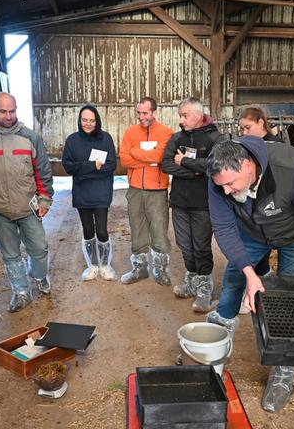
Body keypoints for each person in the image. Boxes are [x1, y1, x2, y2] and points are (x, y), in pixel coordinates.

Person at [206, 135, 294, 333]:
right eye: (221, 186)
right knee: (235, 277)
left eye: (231, 184)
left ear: (247, 165)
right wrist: (249, 274)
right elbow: (224, 227)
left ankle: (283, 347)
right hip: (252, 232)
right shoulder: (219, 176)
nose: (225, 192)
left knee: (288, 287)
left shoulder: (292, 170)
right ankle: (220, 329)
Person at [0, 93, 54, 312]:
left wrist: (44, 199)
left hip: (28, 207)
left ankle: (39, 275)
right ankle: (21, 292)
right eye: (3, 111)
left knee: (40, 248)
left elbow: (42, 171)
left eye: (12, 111)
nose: (8, 116)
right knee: (10, 253)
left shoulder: (30, 137)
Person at [162, 98, 223, 312]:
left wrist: (185, 162)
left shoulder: (214, 137)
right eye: (180, 115)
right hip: (179, 202)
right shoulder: (177, 138)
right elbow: (166, 164)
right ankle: (191, 281)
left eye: (184, 115)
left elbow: (215, 165)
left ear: (198, 115)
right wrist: (196, 171)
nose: (181, 120)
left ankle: (204, 288)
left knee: (201, 246)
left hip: (203, 203)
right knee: (184, 245)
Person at [117, 97, 174, 285]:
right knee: (137, 227)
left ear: (154, 112)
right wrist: (148, 160)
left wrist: (135, 152)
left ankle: (160, 269)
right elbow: (124, 160)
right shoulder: (130, 132)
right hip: (135, 190)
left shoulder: (166, 132)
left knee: (158, 229)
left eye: (145, 113)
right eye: (139, 113)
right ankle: (139, 268)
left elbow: (160, 156)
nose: (141, 117)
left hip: (157, 190)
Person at [62, 105, 117, 281]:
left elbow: (111, 165)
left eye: (92, 120)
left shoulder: (105, 139)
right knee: (87, 230)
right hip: (82, 193)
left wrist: (83, 171)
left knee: (101, 231)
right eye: (84, 120)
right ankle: (93, 266)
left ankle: (106, 265)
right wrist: (92, 166)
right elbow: (68, 166)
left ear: (97, 121)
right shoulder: (72, 140)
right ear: (80, 120)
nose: (88, 124)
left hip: (101, 192)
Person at [237, 107, 279, 305]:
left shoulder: (276, 146)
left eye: (248, 127)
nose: (244, 133)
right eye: (241, 129)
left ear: (261, 123)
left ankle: (257, 292)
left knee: (256, 250)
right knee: (248, 248)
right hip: (249, 204)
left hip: (268, 204)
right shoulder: (246, 147)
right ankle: (255, 289)